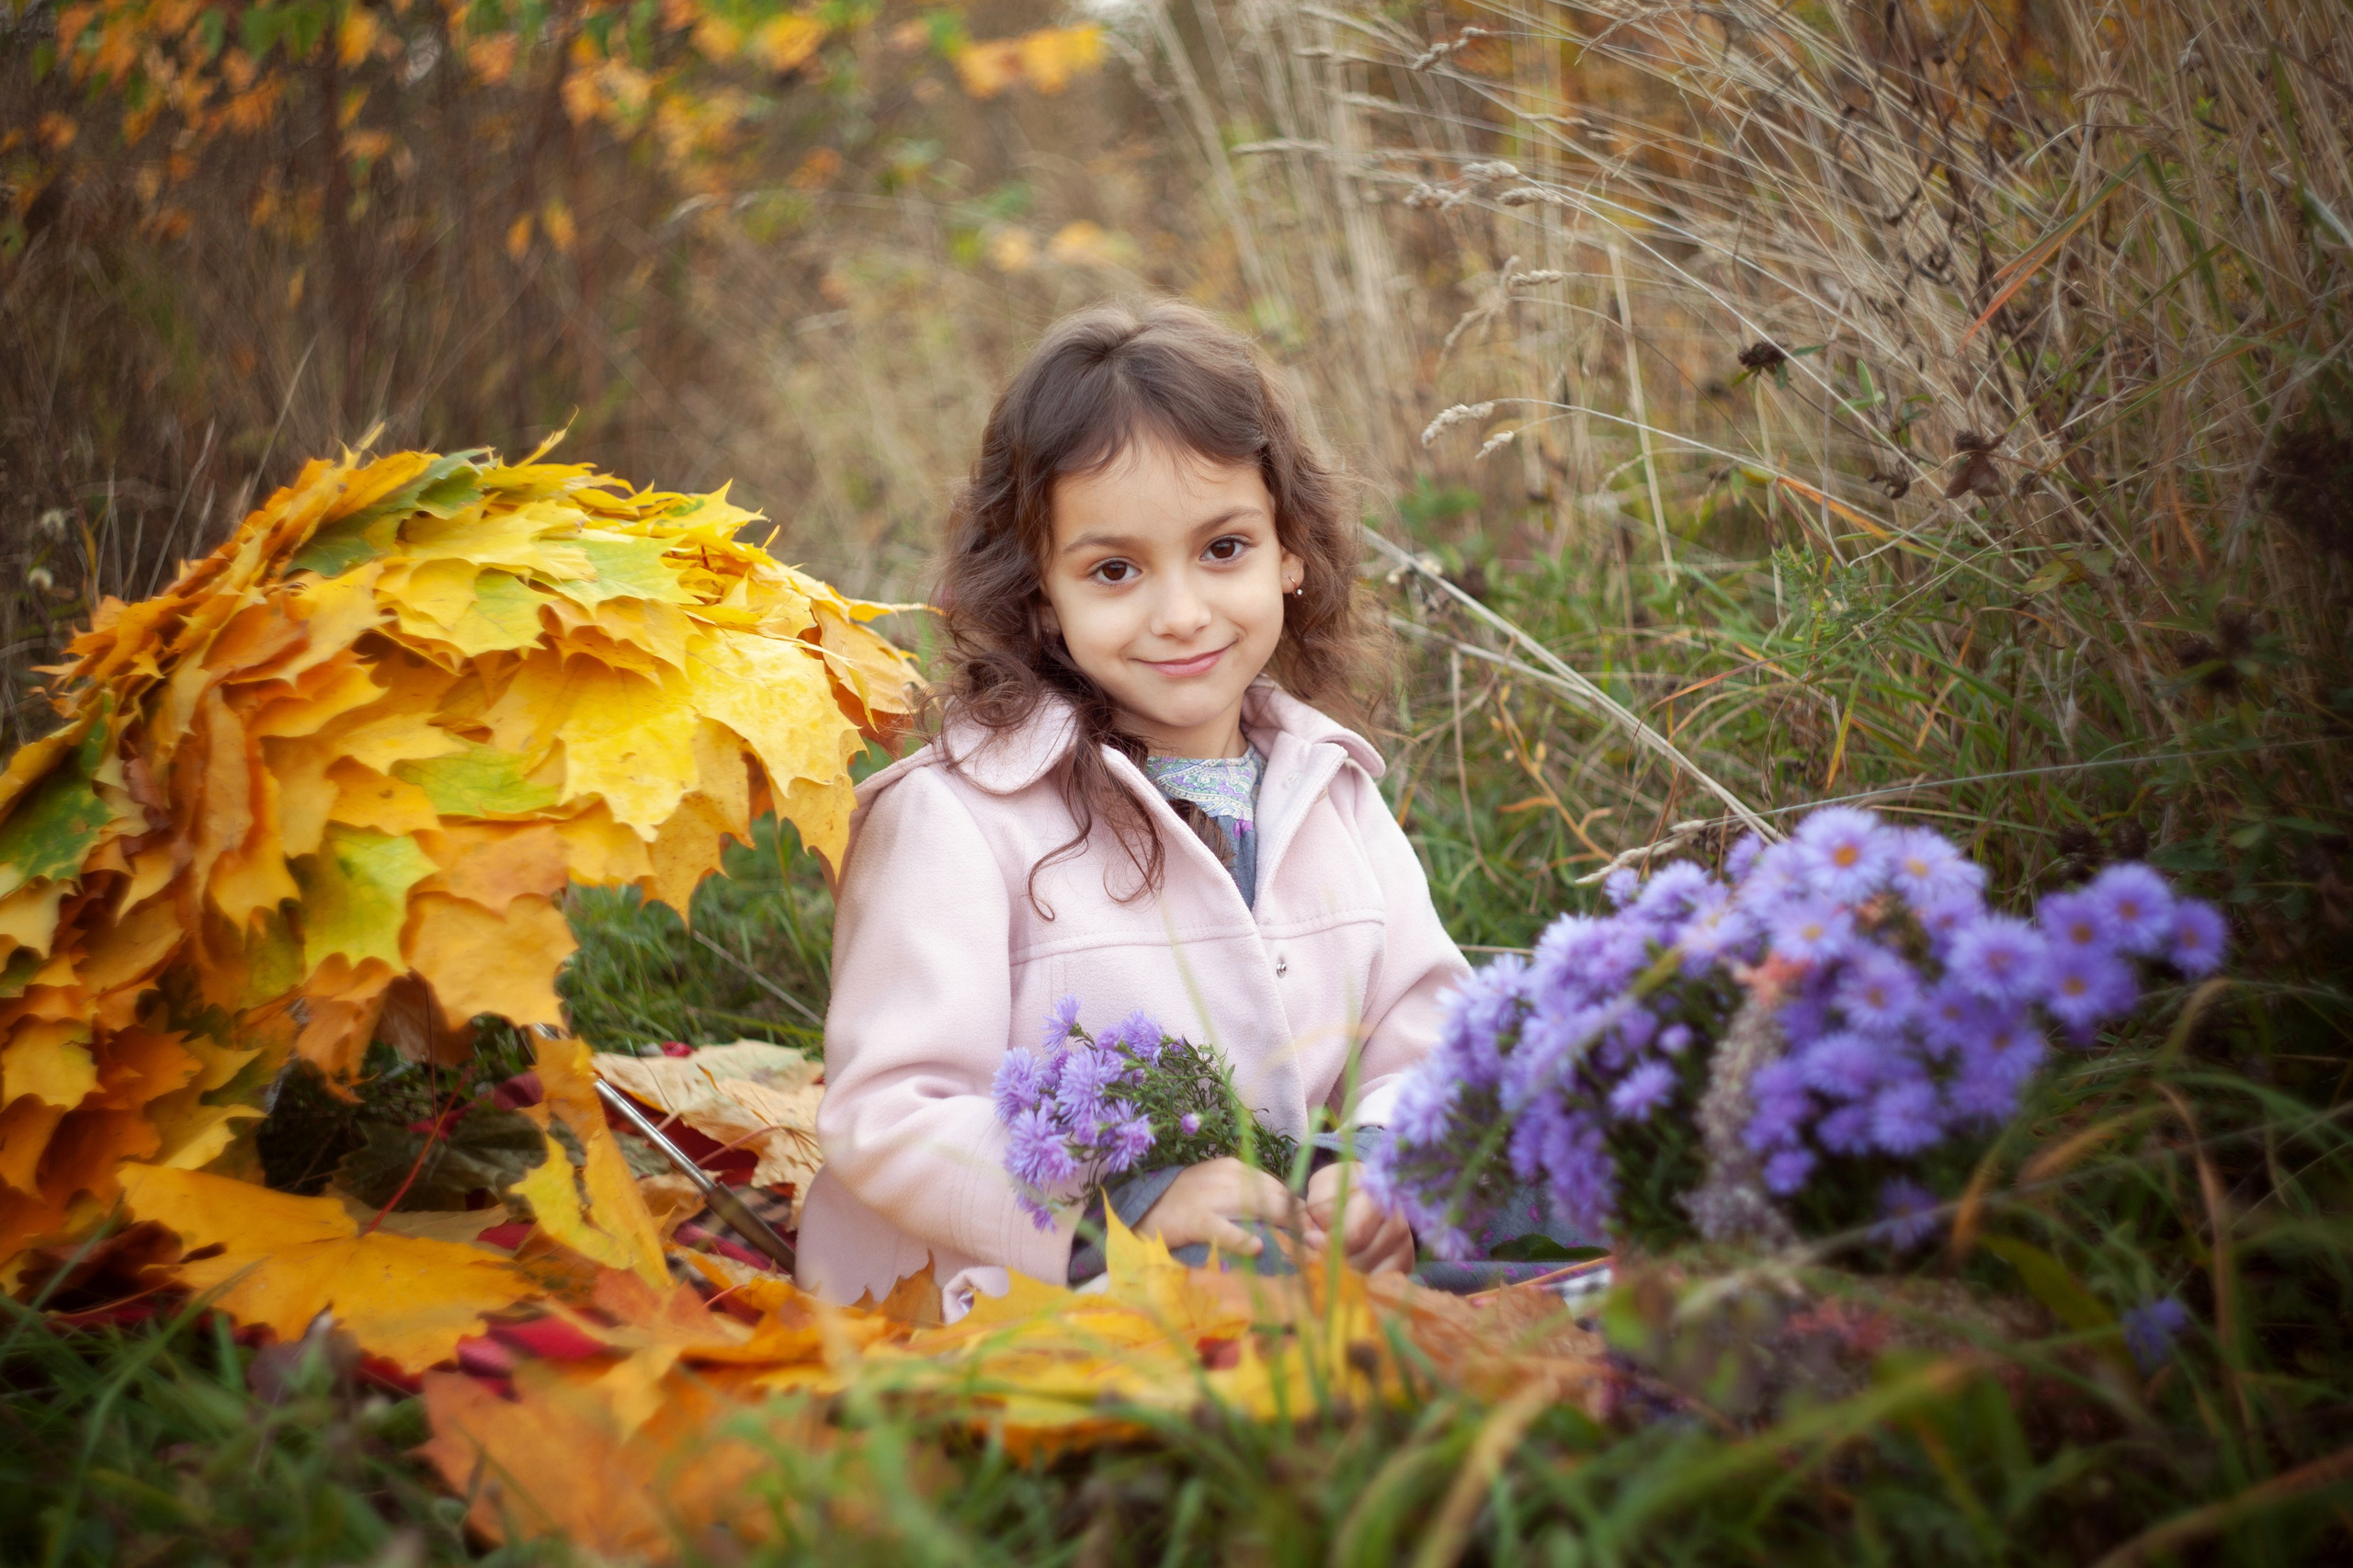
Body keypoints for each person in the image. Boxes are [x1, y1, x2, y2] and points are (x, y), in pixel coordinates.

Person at [796, 301, 1471, 1313]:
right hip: (1001, 1298)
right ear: (1040, 594)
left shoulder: (1327, 791)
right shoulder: (958, 817)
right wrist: (1128, 1204)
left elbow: (1430, 1031)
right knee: (1251, 1293)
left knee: (1583, 1190)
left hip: (1245, 1254)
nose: (1182, 613)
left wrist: (1377, 1161)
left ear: (1290, 549)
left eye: (1224, 549)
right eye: (1114, 570)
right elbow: (892, 1113)